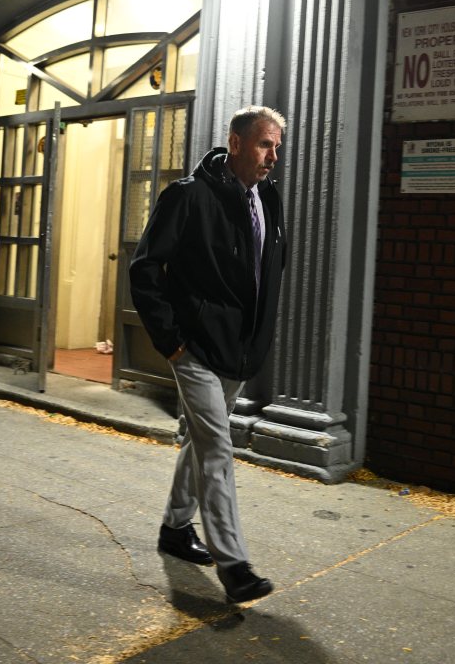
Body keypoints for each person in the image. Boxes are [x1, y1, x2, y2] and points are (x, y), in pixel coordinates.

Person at [130, 105, 286, 603]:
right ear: (236, 143)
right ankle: (233, 563)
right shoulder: (187, 196)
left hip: (239, 350)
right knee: (218, 446)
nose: (273, 156)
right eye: (265, 144)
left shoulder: (269, 199)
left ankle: (175, 529)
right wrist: (171, 342)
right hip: (194, 347)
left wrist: (257, 337)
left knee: (200, 443)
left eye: (277, 147)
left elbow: (267, 276)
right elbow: (145, 269)